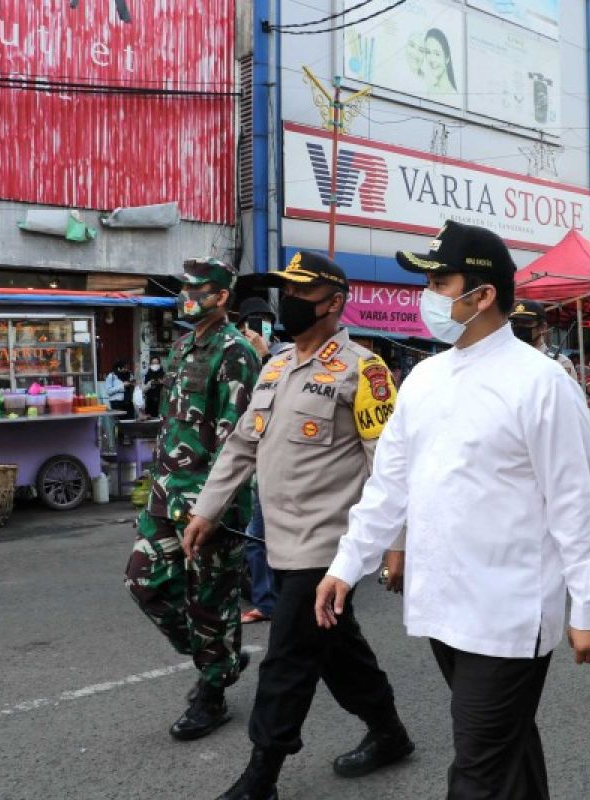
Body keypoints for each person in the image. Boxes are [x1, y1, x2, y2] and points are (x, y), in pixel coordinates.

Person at [313, 220, 590, 800]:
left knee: (476, 770)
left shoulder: (541, 384)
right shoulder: (424, 378)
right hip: (444, 602)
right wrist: (346, 565)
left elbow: (575, 503)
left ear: (483, 294)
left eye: (439, 280)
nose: (427, 294)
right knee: (506, 747)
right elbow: (388, 487)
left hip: (509, 609)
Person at [181, 252, 413, 800]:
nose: (289, 303)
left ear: (333, 303)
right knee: (337, 650)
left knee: (286, 658)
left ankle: (262, 775)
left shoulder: (364, 370)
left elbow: (392, 467)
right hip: (278, 543)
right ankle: (389, 733)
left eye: (301, 293)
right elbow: (242, 443)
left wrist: (397, 544)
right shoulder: (277, 365)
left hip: (328, 550)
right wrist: (207, 508)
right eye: (286, 291)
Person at [123, 258, 260, 741]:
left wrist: (215, 506)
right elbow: (170, 425)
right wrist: (150, 488)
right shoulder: (182, 348)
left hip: (208, 504)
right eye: (185, 287)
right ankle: (219, 658)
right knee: (144, 583)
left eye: (199, 288)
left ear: (222, 296)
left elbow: (237, 438)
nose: (188, 295)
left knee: (210, 601)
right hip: (165, 496)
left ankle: (212, 690)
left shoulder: (237, 352)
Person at [233, 296, 282, 624]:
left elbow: (280, 398)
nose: (259, 327)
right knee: (254, 536)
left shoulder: (283, 354)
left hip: (281, 461)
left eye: (265, 320)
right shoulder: (234, 353)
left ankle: (272, 601)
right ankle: (268, 599)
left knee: (261, 535)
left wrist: (264, 355)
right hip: (251, 454)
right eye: (254, 321)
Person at [509, 298, 579, 380]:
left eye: (526, 323)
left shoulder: (560, 363)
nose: (519, 327)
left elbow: (568, 392)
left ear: (542, 327)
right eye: (515, 323)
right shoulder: (507, 360)